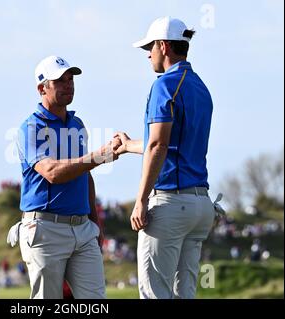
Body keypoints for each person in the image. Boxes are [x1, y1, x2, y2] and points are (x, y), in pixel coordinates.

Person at [114, 17, 215, 299]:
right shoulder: (201, 87)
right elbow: (165, 143)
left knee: (155, 294)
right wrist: (127, 146)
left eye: (150, 47)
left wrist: (141, 199)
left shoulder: (164, 85)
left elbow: (159, 145)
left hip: (171, 203)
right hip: (200, 206)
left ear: (163, 46)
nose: (148, 54)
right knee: (184, 295)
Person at [12, 55, 120, 299]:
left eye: (70, 79)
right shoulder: (31, 128)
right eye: (60, 81)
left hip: (83, 229)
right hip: (45, 229)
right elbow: (52, 173)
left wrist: (95, 221)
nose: (68, 85)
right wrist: (100, 155)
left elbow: (85, 174)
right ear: (42, 88)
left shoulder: (77, 124)